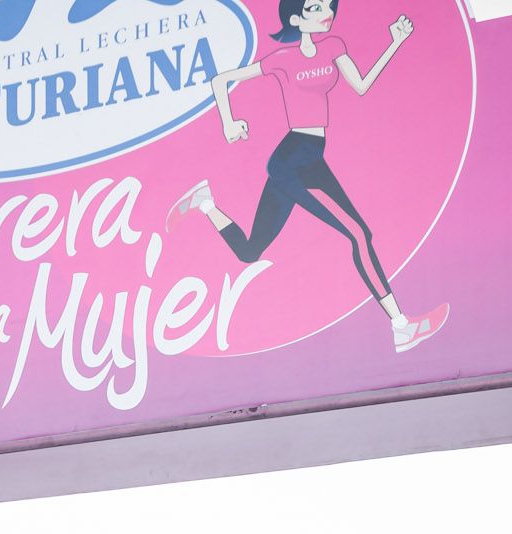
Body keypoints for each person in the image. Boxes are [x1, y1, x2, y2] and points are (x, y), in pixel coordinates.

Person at [170, 1, 447, 355]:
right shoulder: (282, 59)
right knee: (359, 234)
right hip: (293, 158)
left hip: (310, 157)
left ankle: (205, 203)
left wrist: (395, 42)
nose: (326, 11)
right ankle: (401, 327)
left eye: (328, 5)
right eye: (316, 7)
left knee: (250, 251)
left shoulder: (334, 46)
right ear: (296, 18)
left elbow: (361, 85)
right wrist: (229, 123)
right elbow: (220, 80)